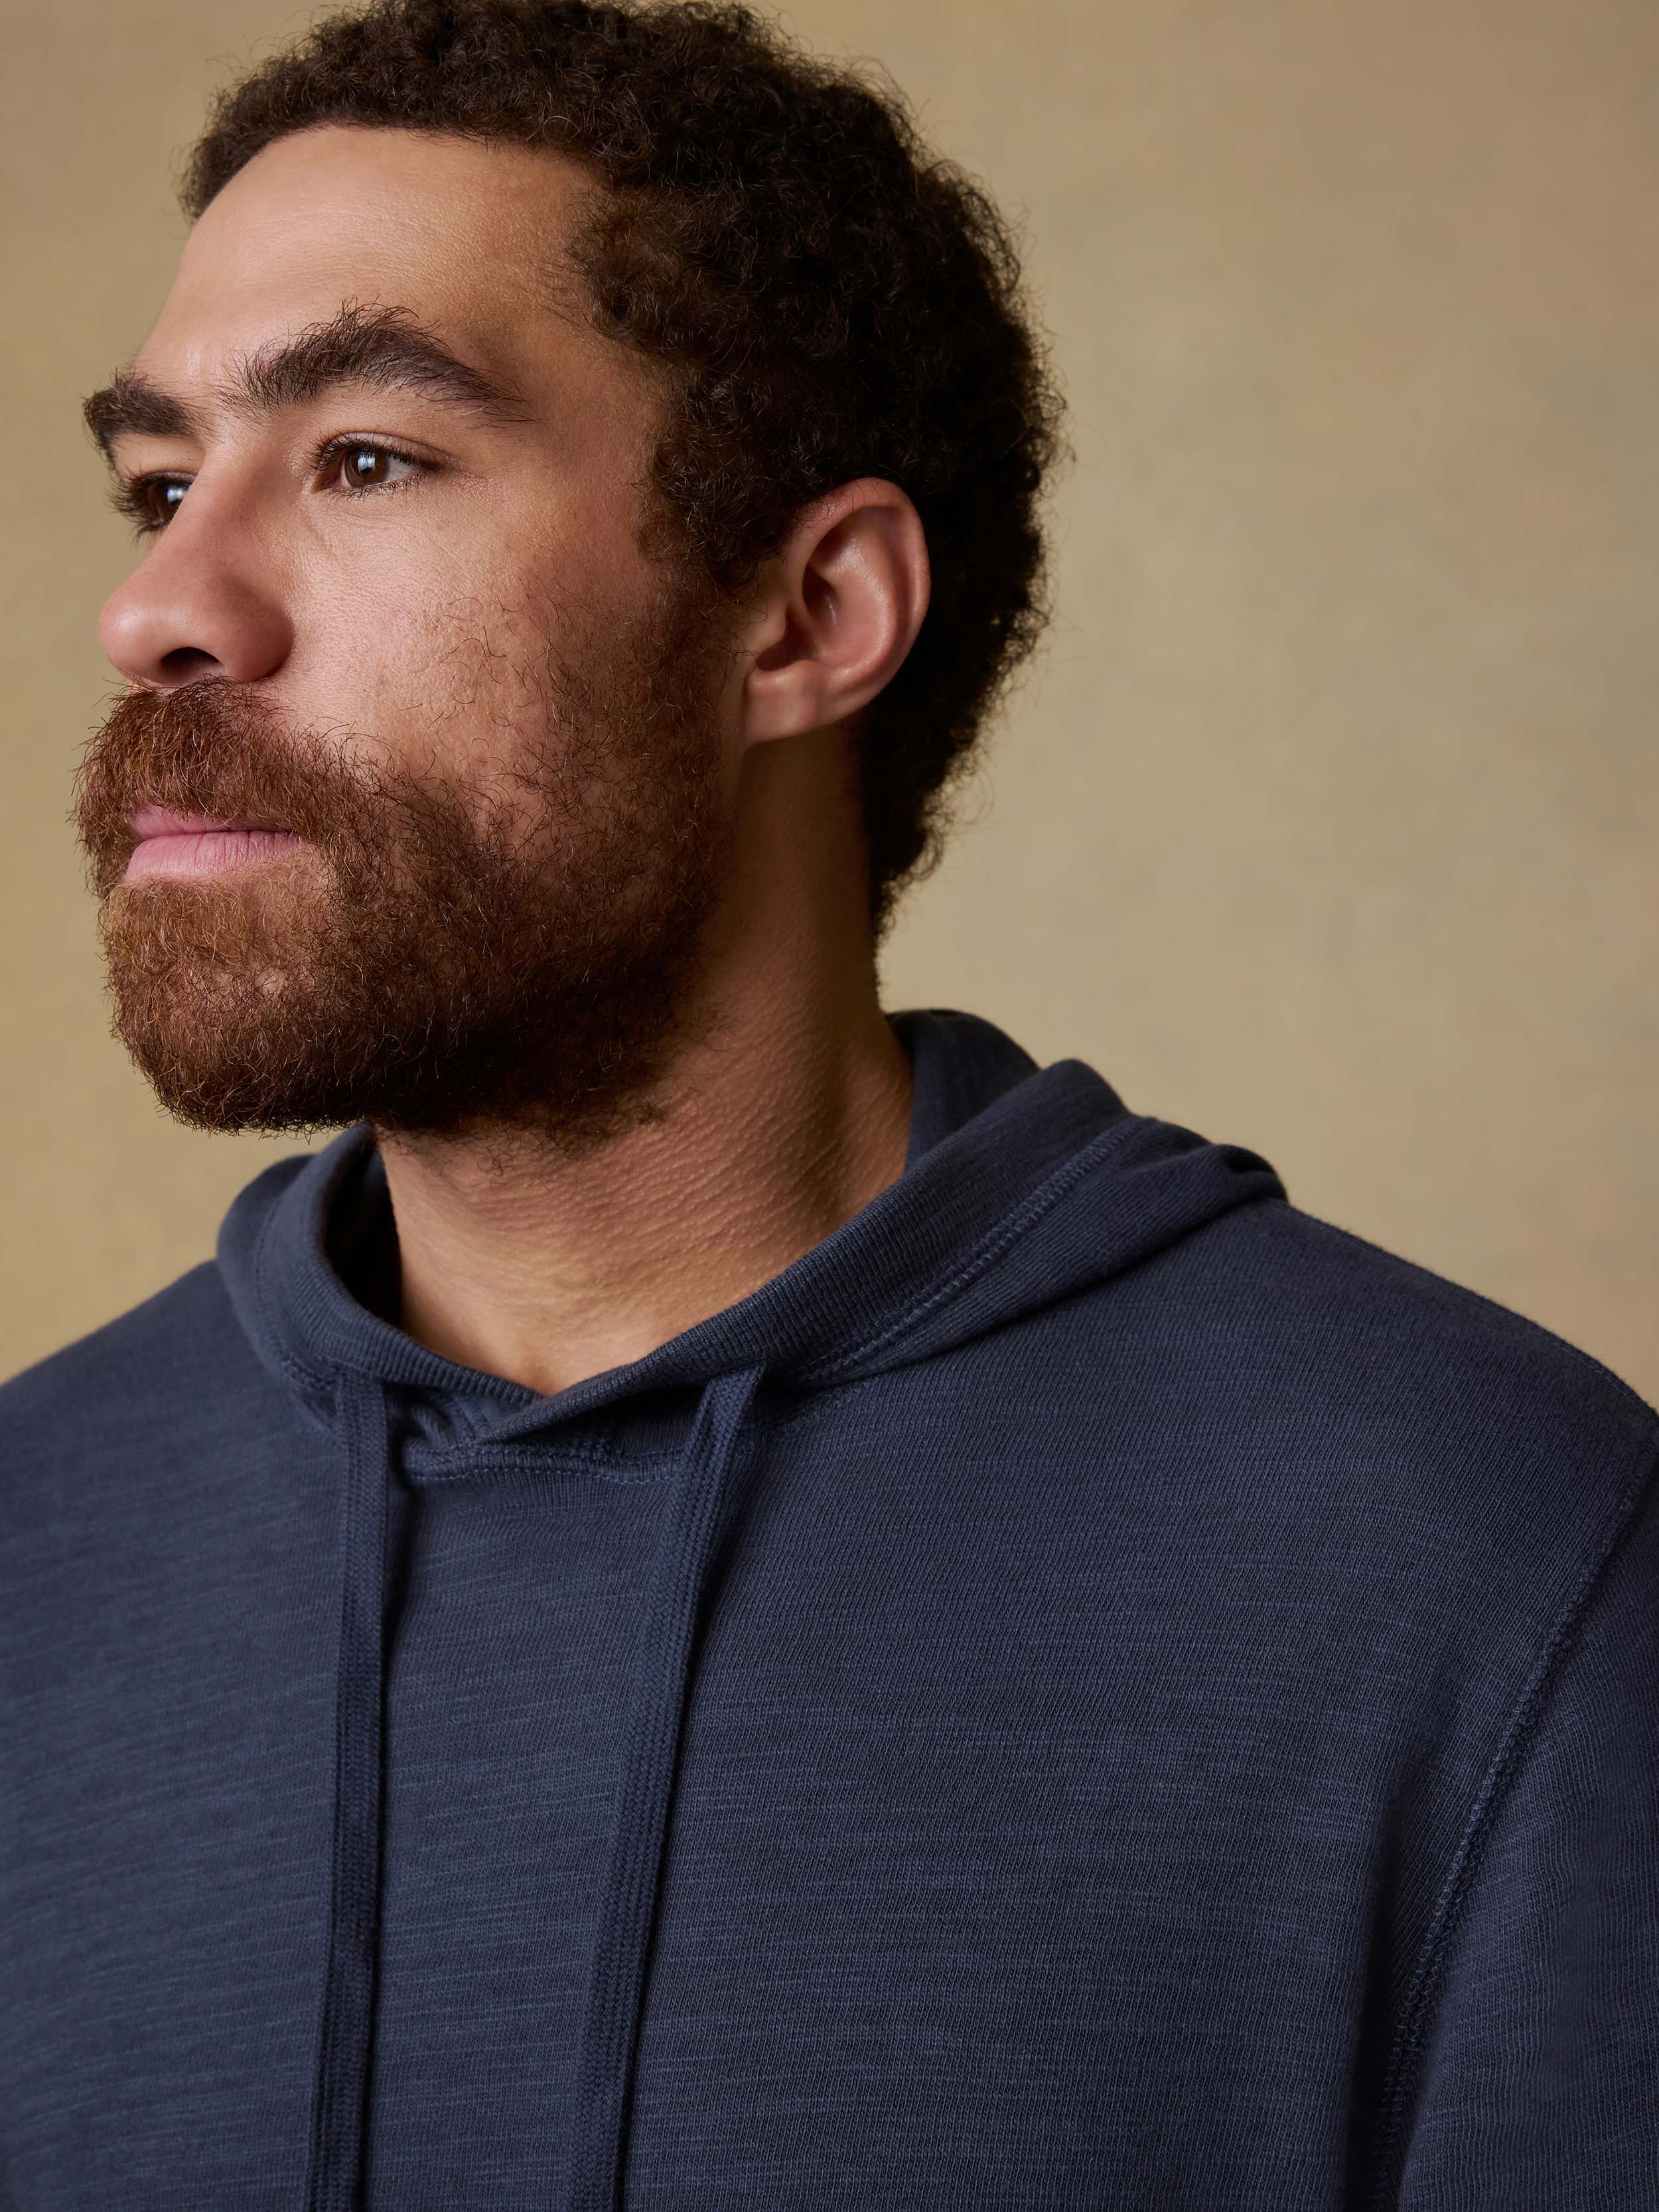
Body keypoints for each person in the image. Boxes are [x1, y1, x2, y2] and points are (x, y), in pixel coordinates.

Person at [3, 1, 1654, 2204]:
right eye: (158, 479)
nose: (158, 606)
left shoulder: (1482, 1559)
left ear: (809, 612)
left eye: (366, 460)